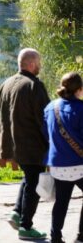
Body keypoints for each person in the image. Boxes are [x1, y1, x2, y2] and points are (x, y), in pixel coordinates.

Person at [0, 48, 50, 240]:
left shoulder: (7, 84)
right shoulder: (33, 86)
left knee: (29, 178)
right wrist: (51, 142)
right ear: (31, 64)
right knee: (34, 184)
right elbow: (45, 118)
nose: (40, 66)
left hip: (13, 143)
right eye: (38, 62)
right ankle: (26, 226)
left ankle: (16, 212)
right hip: (32, 144)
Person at [43, 72, 83, 243]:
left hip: (57, 165)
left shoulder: (50, 107)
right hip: (79, 164)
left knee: (61, 202)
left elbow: (46, 133)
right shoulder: (81, 108)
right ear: (79, 89)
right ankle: (81, 236)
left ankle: (55, 236)